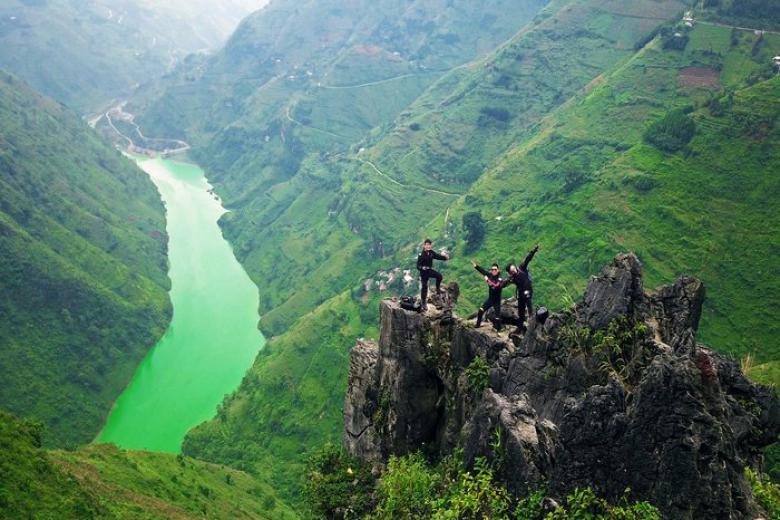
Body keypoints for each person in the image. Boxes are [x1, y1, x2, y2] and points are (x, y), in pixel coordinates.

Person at [505, 244, 539, 332]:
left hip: (527, 289)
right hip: (520, 292)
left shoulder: (521, 268)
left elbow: (527, 259)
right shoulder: (511, 277)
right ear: (510, 273)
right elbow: (504, 284)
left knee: (528, 299)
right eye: (512, 271)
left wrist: (533, 251)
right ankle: (520, 328)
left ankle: (531, 318)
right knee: (521, 311)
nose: (514, 271)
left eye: (514, 269)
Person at [471, 260, 505, 331]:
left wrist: (487, 280)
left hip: (497, 301)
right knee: (481, 310)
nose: (493, 271)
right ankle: (477, 325)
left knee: (497, 318)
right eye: (492, 269)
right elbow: (483, 271)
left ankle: (499, 330)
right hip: (490, 299)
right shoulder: (490, 275)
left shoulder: (500, 278)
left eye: (495, 269)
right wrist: (476, 266)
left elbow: (495, 286)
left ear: (498, 270)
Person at [417, 239, 448, 311]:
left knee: (439, 276)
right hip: (424, 273)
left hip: (429, 270)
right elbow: (418, 266)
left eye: (429, 245)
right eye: (427, 245)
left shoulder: (431, 253)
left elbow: (437, 256)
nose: (428, 246)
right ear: (424, 246)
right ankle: (423, 302)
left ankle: (438, 289)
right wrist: (422, 267)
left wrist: (445, 258)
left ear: (431, 246)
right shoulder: (421, 254)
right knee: (424, 286)